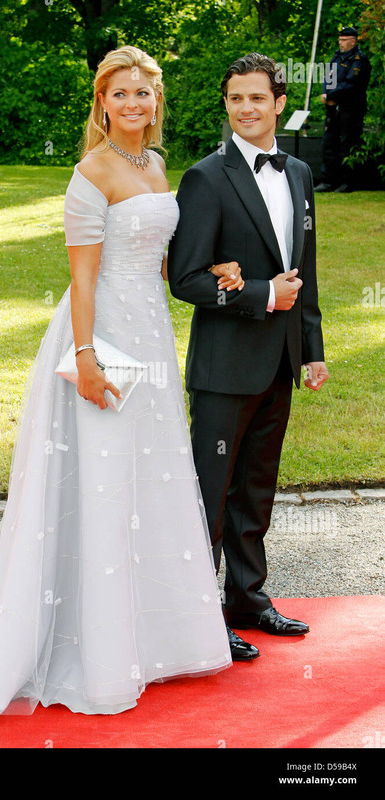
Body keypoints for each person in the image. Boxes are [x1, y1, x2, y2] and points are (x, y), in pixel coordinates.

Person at [0, 46, 234, 734]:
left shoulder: (153, 165)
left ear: (156, 102)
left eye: (143, 94)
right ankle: (92, 650)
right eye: (120, 95)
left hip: (149, 336)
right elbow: (83, 278)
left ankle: (152, 641)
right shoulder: (91, 173)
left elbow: (164, 257)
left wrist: (218, 267)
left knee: (147, 478)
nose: (133, 105)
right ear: (102, 104)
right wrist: (85, 357)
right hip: (102, 336)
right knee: (105, 480)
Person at [167, 52, 329, 662]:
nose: (246, 108)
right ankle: (199, 619)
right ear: (227, 104)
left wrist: (311, 349)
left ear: (279, 102)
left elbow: (304, 273)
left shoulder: (299, 173)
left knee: (256, 489)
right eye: (236, 99)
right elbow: (184, 278)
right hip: (224, 367)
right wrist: (261, 294)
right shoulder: (206, 177)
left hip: (281, 361)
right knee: (211, 494)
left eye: (257, 97)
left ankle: (248, 598)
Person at [315, 26, 371, 193]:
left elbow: (351, 85)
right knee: (329, 143)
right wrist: (326, 93)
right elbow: (328, 77)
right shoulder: (336, 57)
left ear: (353, 41)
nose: (340, 43)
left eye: (343, 40)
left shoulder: (359, 59)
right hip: (333, 108)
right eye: (339, 39)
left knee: (348, 144)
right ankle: (329, 181)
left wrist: (331, 96)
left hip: (350, 109)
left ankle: (348, 182)